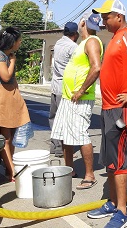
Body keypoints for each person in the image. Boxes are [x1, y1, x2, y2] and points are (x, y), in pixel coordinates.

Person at [87, 0, 127, 228]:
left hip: (121, 109)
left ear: (119, 16)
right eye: (103, 18)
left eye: (107, 17)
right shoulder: (115, 38)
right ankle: (113, 202)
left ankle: (123, 212)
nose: (103, 21)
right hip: (108, 107)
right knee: (111, 160)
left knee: (120, 160)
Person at [51, 13, 103, 189]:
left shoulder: (92, 42)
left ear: (83, 24)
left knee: (80, 134)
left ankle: (90, 175)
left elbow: (96, 68)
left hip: (80, 98)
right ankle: (69, 169)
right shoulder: (82, 43)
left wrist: (81, 90)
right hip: (69, 97)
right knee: (66, 134)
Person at [0, 26, 30, 181]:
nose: (20, 43)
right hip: (1, 98)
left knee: (10, 136)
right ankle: (10, 170)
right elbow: (5, 77)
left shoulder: (7, 54)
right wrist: (12, 62)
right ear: (12, 42)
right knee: (5, 137)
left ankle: (8, 167)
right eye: (19, 41)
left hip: (10, 97)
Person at [49, 21, 80, 157]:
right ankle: (62, 149)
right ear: (75, 34)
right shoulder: (73, 47)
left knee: (54, 117)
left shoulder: (58, 44)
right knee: (65, 119)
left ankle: (55, 145)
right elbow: (76, 68)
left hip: (55, 86)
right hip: (66, 88)